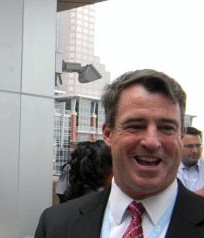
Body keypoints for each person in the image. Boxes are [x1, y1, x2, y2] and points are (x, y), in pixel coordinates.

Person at [35, 69, 204, 237]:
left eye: (166, 128)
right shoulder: (55, 224)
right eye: (135, 126)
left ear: (181, 136)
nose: (151, 142)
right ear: (108, 134)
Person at [178, 126, 204, 196]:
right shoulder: (168, 171)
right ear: (178, 146)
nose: (195, 151)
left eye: (198, 146)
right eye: (189, 146)